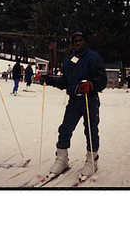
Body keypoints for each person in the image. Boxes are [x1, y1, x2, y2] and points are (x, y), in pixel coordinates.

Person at [41, 29, 107, 179]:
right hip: (74, 101)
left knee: (90, 130)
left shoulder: (93, 57)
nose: (78, 43)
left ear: (86, 41)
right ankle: (61, 159)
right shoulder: (69, 60)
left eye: (80, 40)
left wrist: (91, 85)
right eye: (75, 41)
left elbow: (102, 80)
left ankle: (92, 160)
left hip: (89, 100)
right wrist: (50, 79)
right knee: (65, 129)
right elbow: (65, 81)